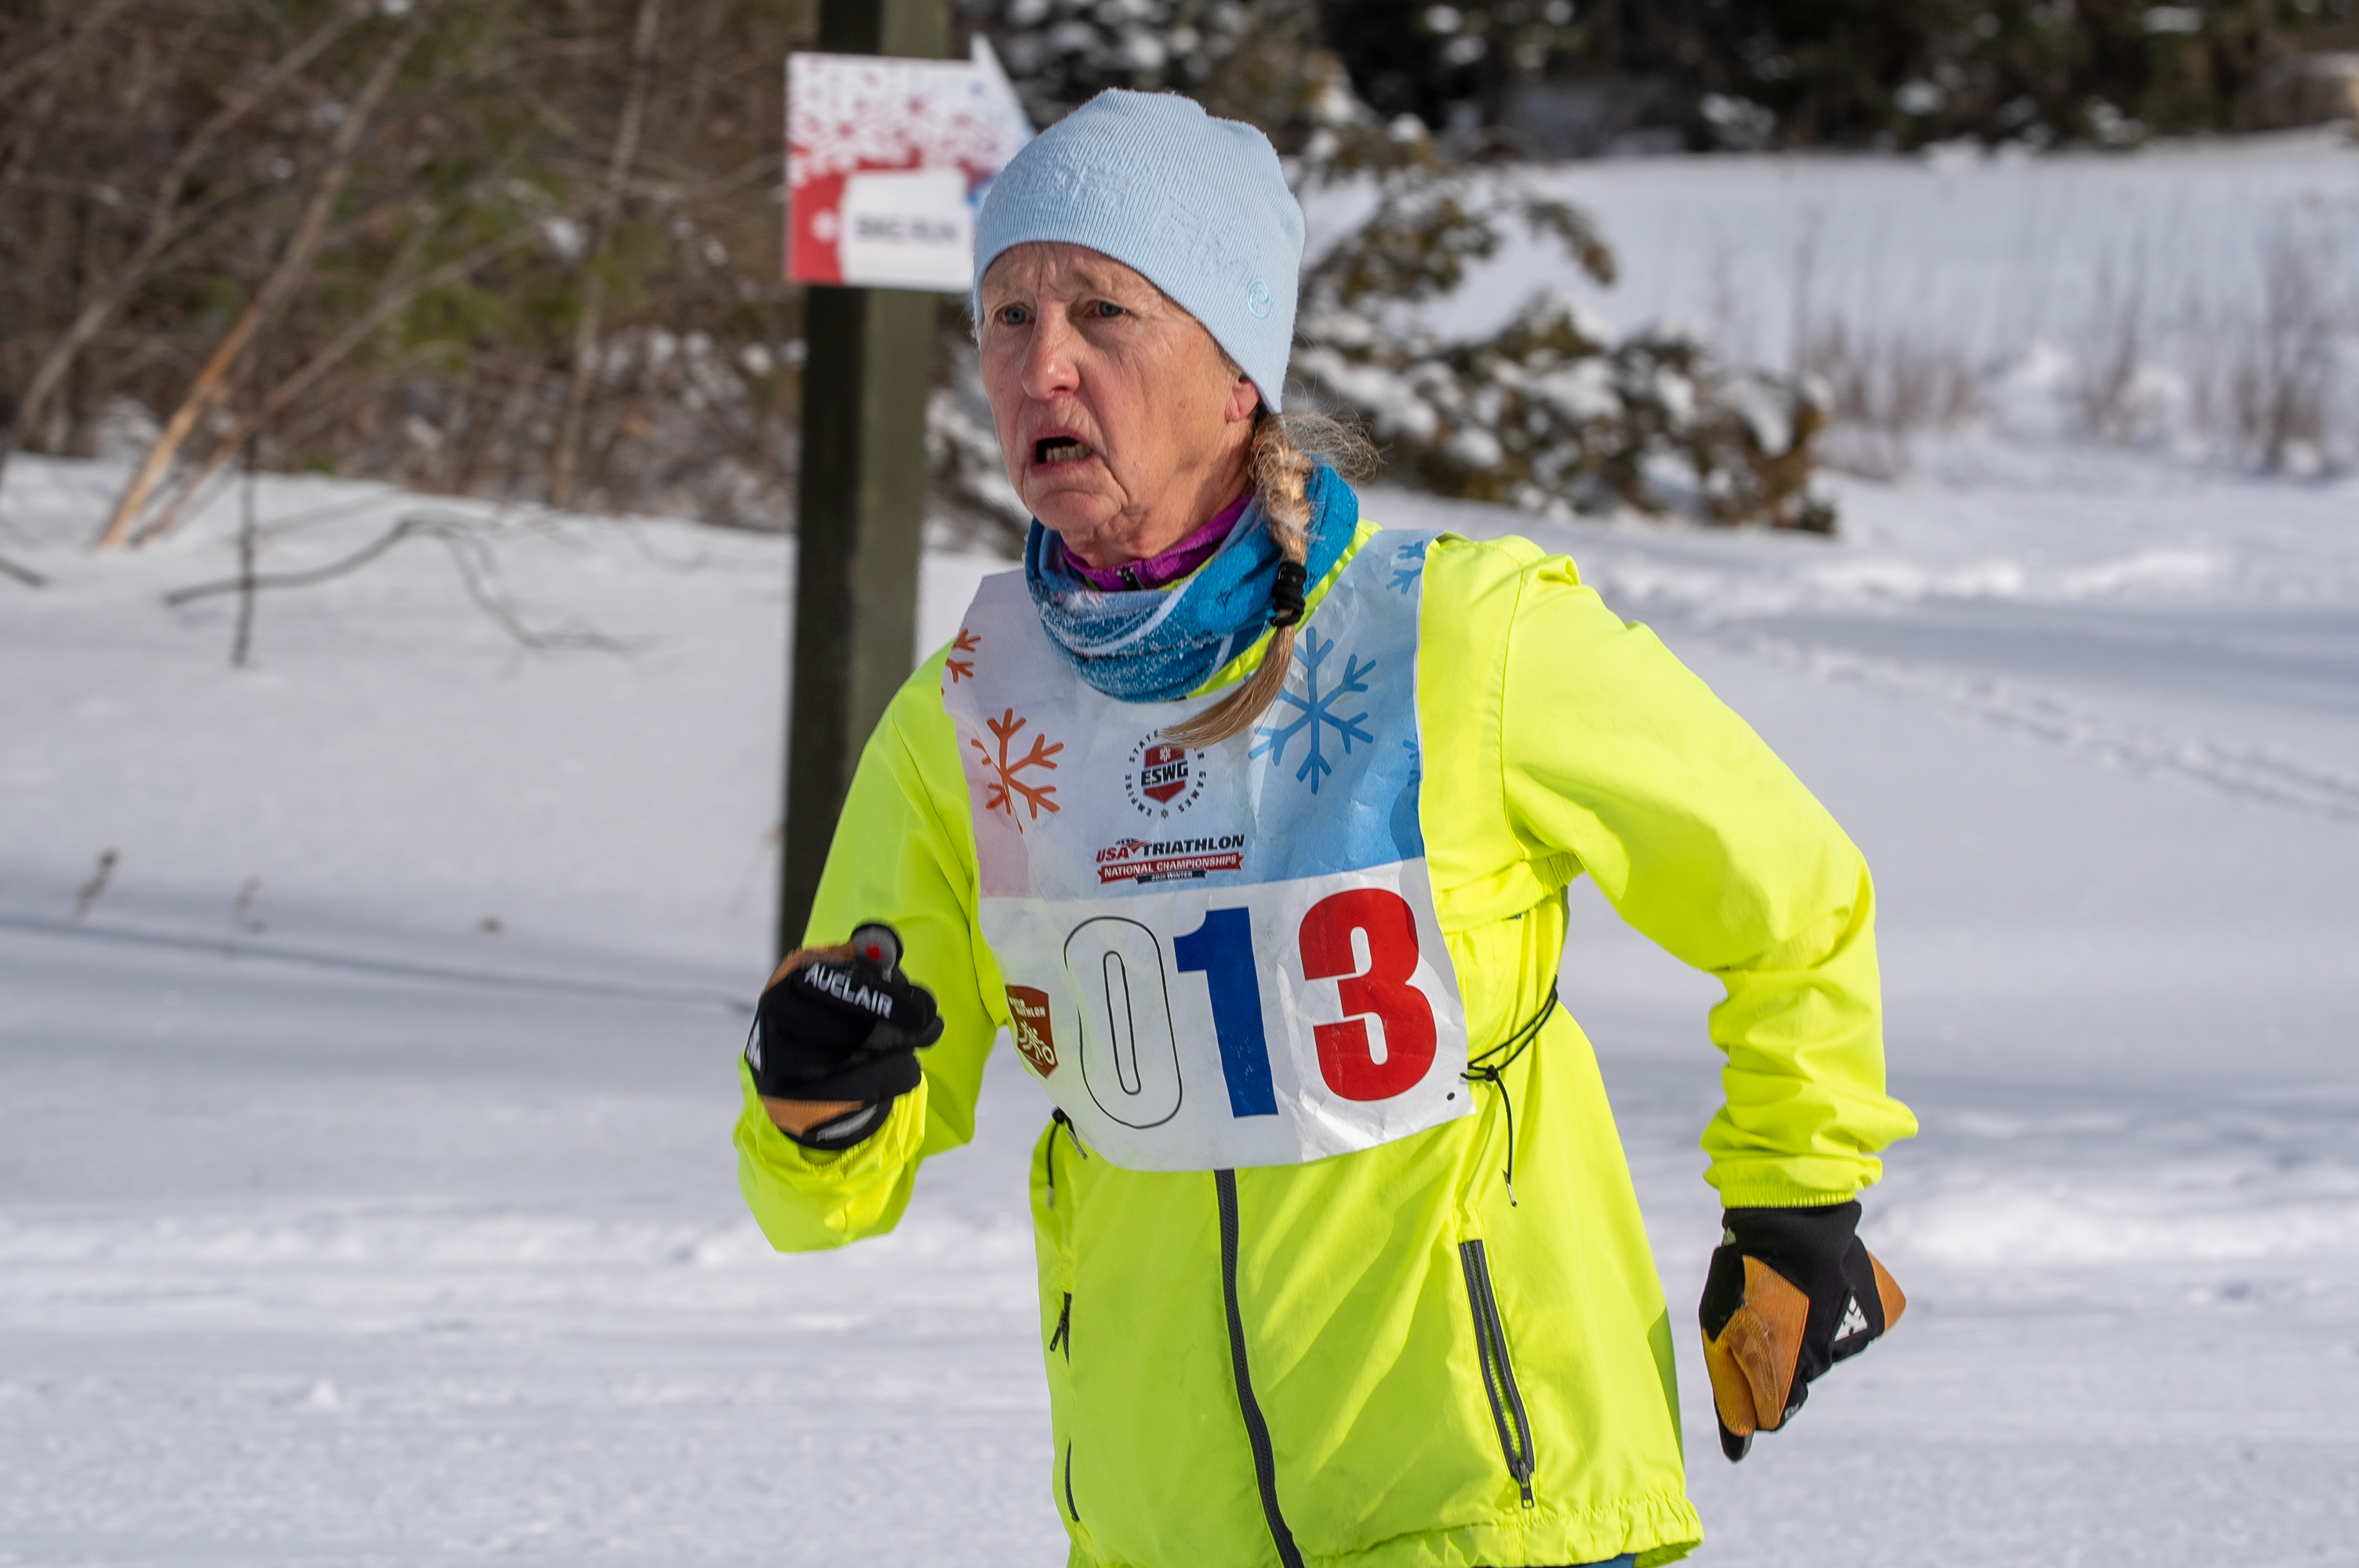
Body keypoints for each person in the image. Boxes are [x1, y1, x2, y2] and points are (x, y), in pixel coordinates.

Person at [734, 89, 1916, 1568]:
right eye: (1007, 316)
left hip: (1494, 1502)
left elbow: (1790, 895)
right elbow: (827, 1186)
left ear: (1238, 372)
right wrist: (818, 1102)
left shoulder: (1459, 637)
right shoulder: (969, 719)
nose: (1043, 365)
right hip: (1167, 1532)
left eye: (1104, 310)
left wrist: (1795, 1203)